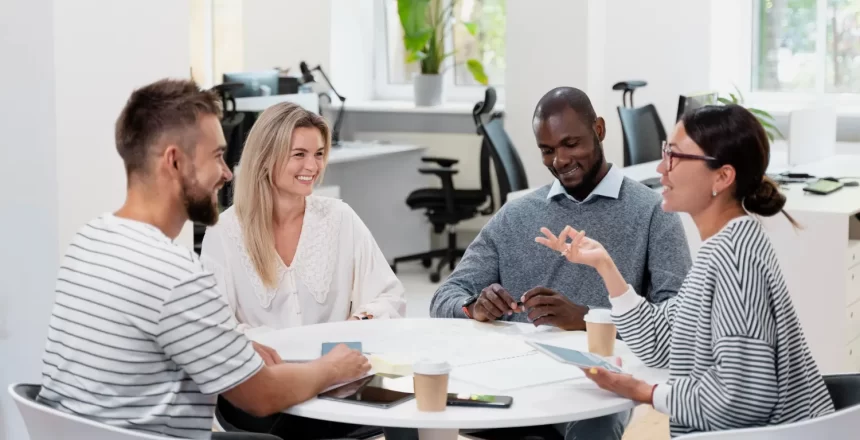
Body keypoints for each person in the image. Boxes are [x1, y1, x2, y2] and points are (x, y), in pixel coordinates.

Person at [36, 78, 371, 440]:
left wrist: (231, 343)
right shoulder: (174, 274)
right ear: (175, 162)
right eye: (216, 156)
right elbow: (262, 396)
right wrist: (333, 367)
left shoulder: (90, 241)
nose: (227, 173)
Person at [536, 104, 835, 437]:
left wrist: (644, 393)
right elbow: (661, 342)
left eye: (676, 157)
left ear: (722, 177)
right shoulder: (725, 246)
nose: (662, 168)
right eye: (666, 153)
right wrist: (605, 266)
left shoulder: (734, 261)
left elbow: (742, 399)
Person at [429, 86, 692, 440]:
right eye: (547, 150)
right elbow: (444, 297)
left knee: (593, 427)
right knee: (429, 411)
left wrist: (585, 320)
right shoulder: (517, 214)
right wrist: (471, 307)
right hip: (515, 379)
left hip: (597, 383)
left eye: (571, 144)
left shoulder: (652, 213)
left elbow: (677, 322)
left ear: (599, 130)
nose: (560, 160)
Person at [199, 101, 405, 335]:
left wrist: (359, 322)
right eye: (299, 154)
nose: (312, 166)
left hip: (334, 366)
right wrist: (283, 347)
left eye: (318, 154)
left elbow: (389, 296)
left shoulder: (340, 218)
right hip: (265, 369)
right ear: (265, 158)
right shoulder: (225, 231)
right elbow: (214, 326)